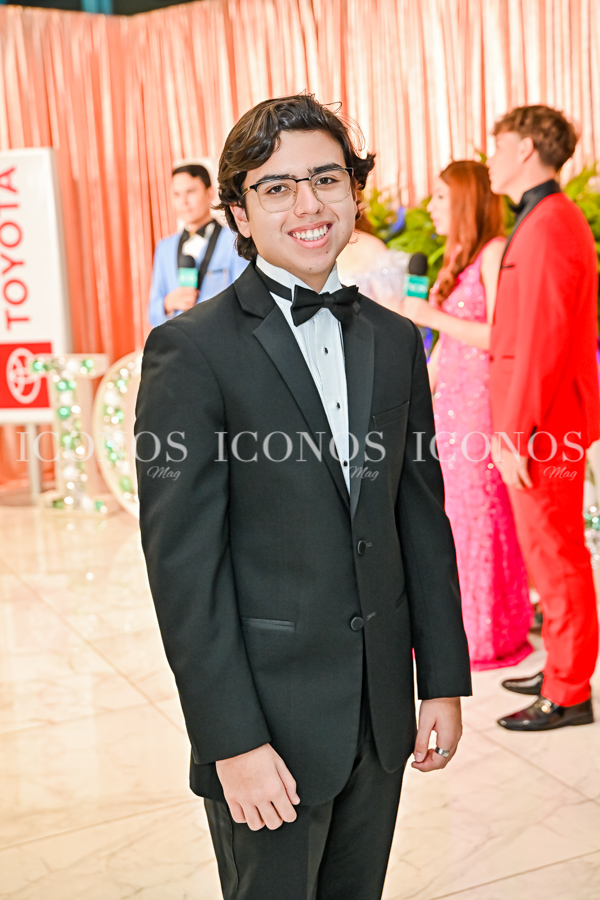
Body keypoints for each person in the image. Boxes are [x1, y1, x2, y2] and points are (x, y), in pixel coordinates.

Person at [135, 94, 471, 900]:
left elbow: (419, 520)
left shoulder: (395, 339)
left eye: (326, 178)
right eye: (276, 187)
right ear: (240, 214)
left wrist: (442, 680)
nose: (308, 204)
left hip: (380, 715)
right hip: (267, 727)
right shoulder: (190, 351)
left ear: (354, 191)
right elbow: (184, 572)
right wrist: (232, 740)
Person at [487, 105, 600, 731]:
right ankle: (561, 661)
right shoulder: (546, 217)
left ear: (526, 148)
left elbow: (540, 343)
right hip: (542, 419)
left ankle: (569, 688)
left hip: (544, 425)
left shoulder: (551, 223)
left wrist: (514, 434)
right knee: (549, 553)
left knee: (558, 556)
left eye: (498, 145)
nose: (492, 158)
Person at [400, 161, 533, 670]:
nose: (430, 207)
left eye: (439, 197)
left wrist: (431, 316)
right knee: (454, 517)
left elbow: (503, 336)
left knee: (481, 516)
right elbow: (446, 348)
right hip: (450, 407)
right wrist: (417, 394)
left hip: (481, 405)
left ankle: (489, 632)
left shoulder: (495, 252)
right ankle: (458, 628)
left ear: (465, 200)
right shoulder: (456, 259)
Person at [148, 161, 247, 327]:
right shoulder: (164, 248)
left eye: (190, 192)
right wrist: (168, 303)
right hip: (178, 338)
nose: (183, 201)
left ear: (210, 193)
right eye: (176, 194)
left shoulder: (235, 240)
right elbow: (153, 316)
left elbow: (246, 300)